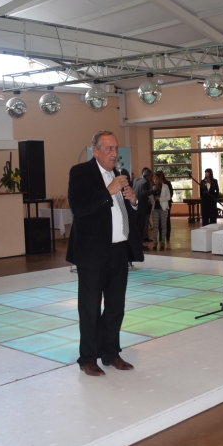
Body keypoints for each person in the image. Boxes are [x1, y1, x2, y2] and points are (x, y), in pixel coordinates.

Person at [67, 130, 144, 377]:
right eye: (109, 148)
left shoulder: (122, 174)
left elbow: (126, 214)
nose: (114, 153)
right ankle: (88, 358)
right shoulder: (80, 173)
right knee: (89, 308)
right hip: (92, 254)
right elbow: (79, 208)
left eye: (116, 148)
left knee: (115, 307)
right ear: (95, 150)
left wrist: (133, 202)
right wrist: (108, 190)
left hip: (119, 251)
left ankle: (111, 353)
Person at [132, 167, 153, 249]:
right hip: (142, 207)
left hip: (135, 206)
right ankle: (140, 245)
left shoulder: (136, 180)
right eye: (151, 176)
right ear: (148, 176)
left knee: (137, 226)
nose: (151, 178)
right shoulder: (145, 182)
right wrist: (152, 190)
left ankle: (136, 244)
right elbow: (144, 193)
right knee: (141, 226)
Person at [150, 173, 170, 250]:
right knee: (155, 226)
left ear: (160, 179)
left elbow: (168, 197)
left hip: (163, 208)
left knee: (163, 226)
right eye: (154, 179)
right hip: (155, 209)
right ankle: (155, 243)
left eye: (156, 179)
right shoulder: (152, 187)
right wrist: (153, 198)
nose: (155, 180)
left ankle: (162, 242)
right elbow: (150, 198)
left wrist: (160, 199)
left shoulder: (165, 186)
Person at [157, 171, 174, 244]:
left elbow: (170, 194)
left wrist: (162, 198)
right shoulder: (156, 184)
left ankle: (167, 236)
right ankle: (161, 236)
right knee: (159, 220)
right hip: (159, 204)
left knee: (166, 220)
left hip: (166, 204)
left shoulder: (167, 183)